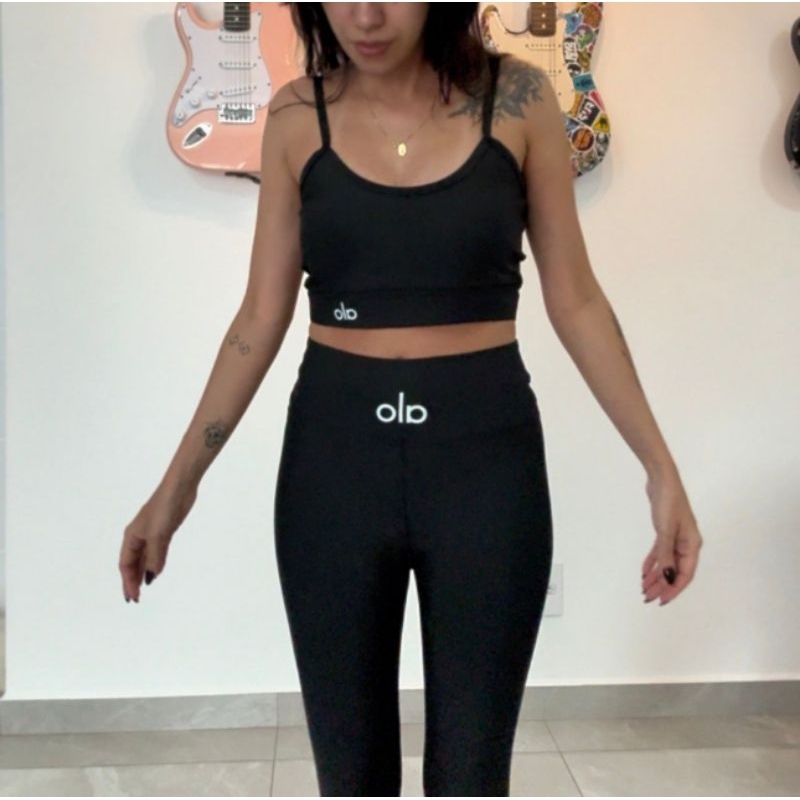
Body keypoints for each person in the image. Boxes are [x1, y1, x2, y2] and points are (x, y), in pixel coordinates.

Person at [119, 3, 703, 795]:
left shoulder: (521, 100)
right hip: (333, 476)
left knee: (472, 775)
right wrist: (176, 487)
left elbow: (577, 301)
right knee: (350, 777)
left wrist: (660, 468)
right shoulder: (295, 116)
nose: (365, 15)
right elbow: (258, 318)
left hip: (485, 476)